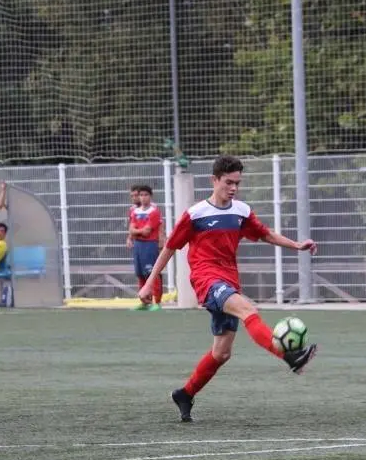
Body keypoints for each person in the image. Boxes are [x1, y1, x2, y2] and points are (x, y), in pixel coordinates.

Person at [138, 155, 319, 422]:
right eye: (228, 182)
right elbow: (170, 247)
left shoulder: (241, 211)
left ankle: (185, 394)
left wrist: (297, 245)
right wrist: (150, 283)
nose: (233, 188)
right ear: (214, 180)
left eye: (237, 183)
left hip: (229, 281)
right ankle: (290, 356)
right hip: (206, 280)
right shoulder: (196, 214)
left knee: (222, 353)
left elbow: (266, 234)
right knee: (248, 310)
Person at [129, 186, 164, 311]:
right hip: (138, 245)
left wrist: (136, 231)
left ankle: (157, 302)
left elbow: (147, 231)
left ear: (150, 196)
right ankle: (145, 302)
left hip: (149, 244)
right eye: (141, 195)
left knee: (151, 273)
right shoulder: (135, 211)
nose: (143, 198)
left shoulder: (154, 212)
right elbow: (131, 230)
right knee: (140, 274)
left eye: (146, 195)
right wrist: (137, 232)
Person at [125, 184, 141, 250]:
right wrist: (129, 238)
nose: (134, 198)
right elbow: (132, 226)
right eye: (132, 196)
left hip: (150, 242)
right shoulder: (132, 209)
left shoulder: (152, 208)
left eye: (136, 195)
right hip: (137, 242)